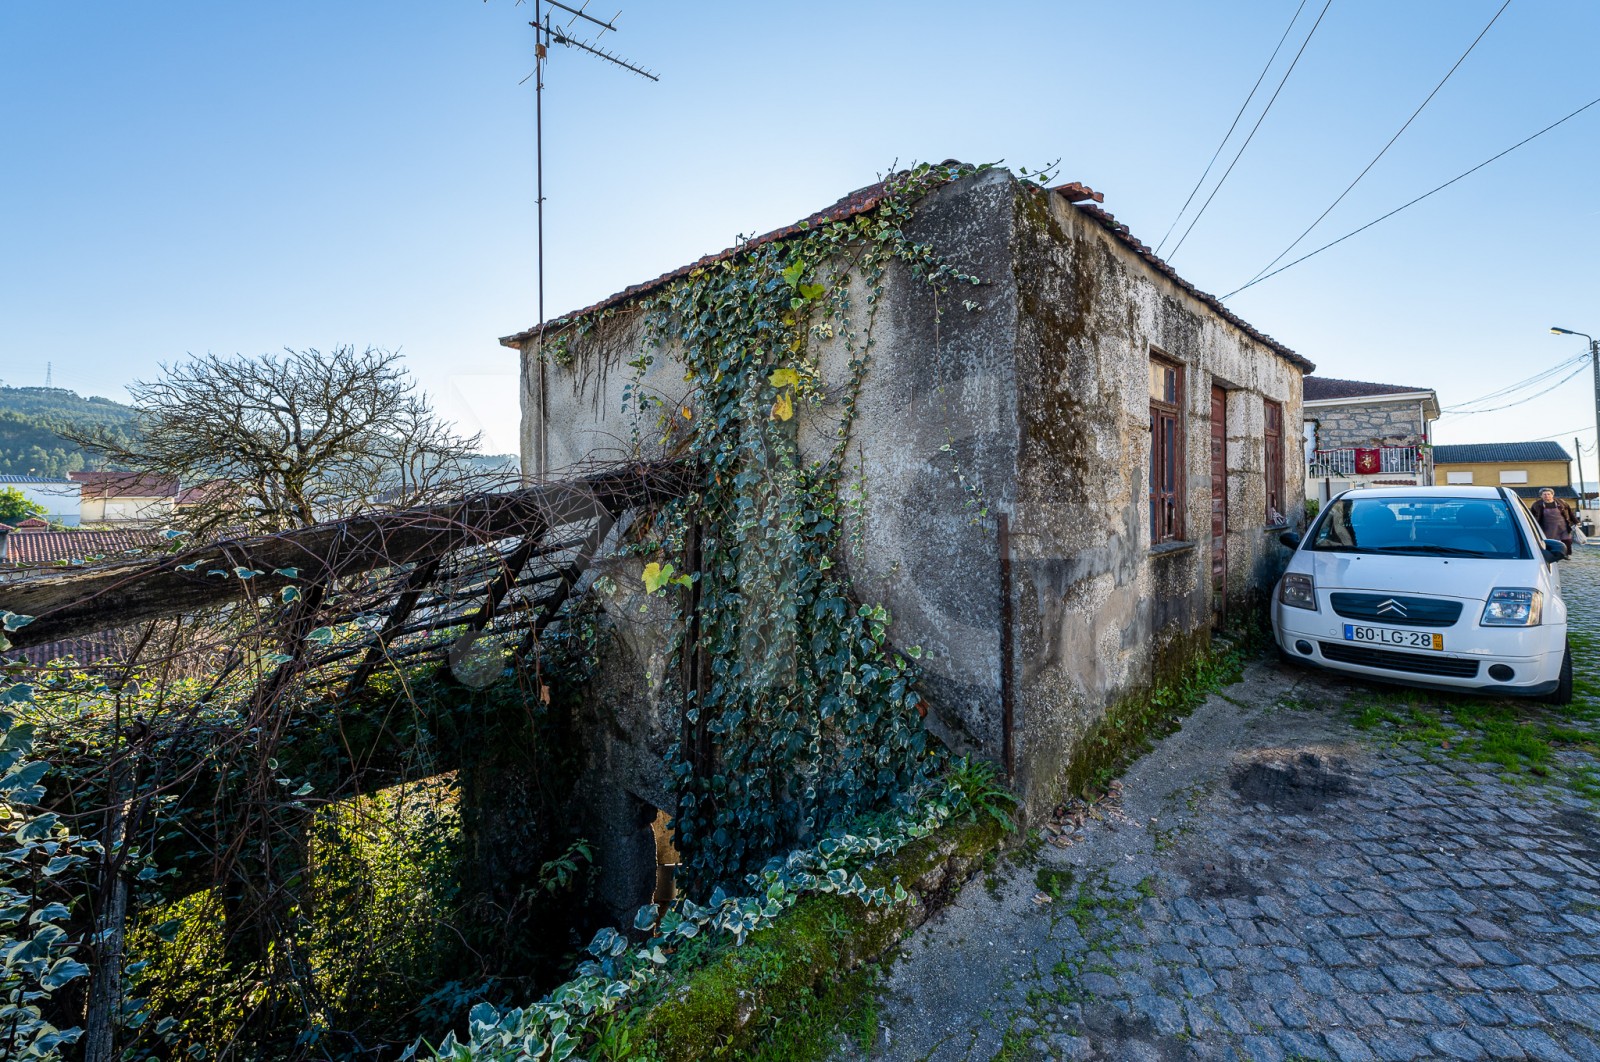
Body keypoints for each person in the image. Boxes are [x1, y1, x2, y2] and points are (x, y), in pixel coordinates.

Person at [1530, 487, 1576, 555]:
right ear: (1541, 496)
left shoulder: (1561, 502)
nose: (1547, 496)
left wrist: (1576, 521)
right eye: (1544, 494)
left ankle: (1566, 554)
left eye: (1548, 494)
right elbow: (1532, 516)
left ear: (1552, 495)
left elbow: (1570, 512)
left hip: (1562, 525)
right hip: (1547, 526)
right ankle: (1550, 554)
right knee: (1549, 541)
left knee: (1567, 540)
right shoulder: (1536, 504)